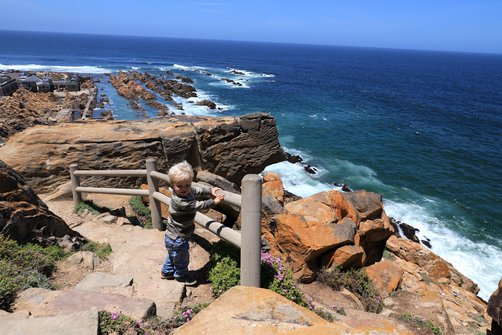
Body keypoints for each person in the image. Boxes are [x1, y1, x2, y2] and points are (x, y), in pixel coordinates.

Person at [161, 161, 224, 286]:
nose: (185, 189)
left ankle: (166, 272)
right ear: (173, 185)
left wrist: (210, 190)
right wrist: (214, 201)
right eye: (180, 186)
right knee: (182, 259)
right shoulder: (180, 201)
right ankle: (181, 276)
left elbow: (196, 190)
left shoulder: (187, 191)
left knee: (173, 255)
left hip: (171, 236)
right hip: (178, 237)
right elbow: (197, 205)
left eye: (187, 185)